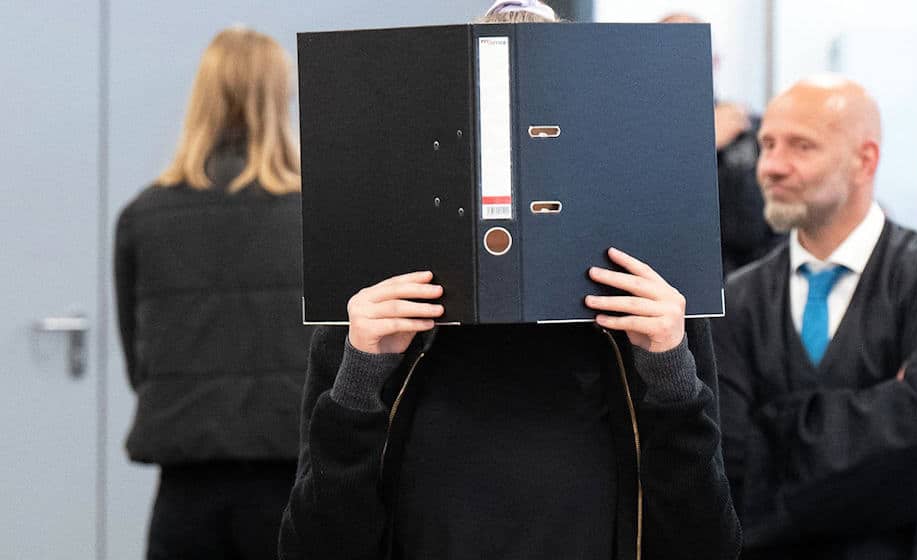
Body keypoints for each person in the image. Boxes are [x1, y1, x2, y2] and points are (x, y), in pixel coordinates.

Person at [278, 2, 741, 559]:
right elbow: (312, 546)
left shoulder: (651, 313)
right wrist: (360, 378)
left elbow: (710, 543)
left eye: (543, 131)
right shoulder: (376, 315)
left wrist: (669, 371)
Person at [713, 75, 917, 558]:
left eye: (801, 146)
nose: (772, 167)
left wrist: (774, 434)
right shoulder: (737, 299)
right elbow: (728, 465)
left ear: (865, 160)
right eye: (767, 144)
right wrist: (884, 412)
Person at [114, 26, 313, 560]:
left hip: (186, 489)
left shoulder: (144, 215)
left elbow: (142, 364)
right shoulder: (318, 215)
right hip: (292, 482)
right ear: (281, 96)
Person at [661, 12, 784, 276]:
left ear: (714, 61)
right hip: (668, 284)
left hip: (744, 288)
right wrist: (701, 143)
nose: (680, 62)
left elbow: (766, 224)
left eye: (691, 51)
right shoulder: (636, 137)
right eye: (669, 51)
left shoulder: (750, 129)